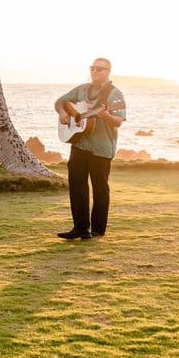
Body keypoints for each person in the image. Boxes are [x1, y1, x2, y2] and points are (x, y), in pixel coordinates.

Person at [54, 57, 127, 240]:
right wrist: (63, 113)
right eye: (92, 68)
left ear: (108, 71)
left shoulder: (115, 95)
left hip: (101, 148)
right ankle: (80, 228)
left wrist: (105, 115)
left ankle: (98, 230)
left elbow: (118, 121)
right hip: (79, 144)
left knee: (100, 189)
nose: (94, 71)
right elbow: (60, 101)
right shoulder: (82, 89)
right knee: (77, 187)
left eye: (99, 69)